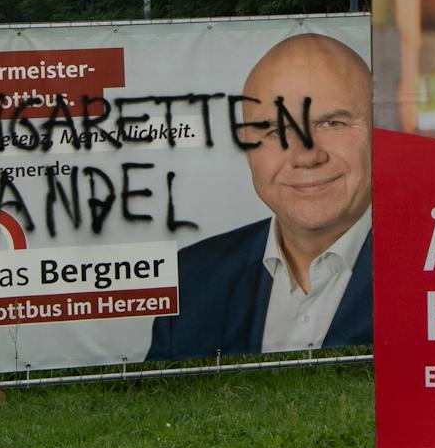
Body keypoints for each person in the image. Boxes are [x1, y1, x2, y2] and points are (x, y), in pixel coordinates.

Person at [147, 32, 373, 360]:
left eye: (332, 123)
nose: (306, 155)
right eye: (275, 130)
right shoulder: (193, 279)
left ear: (382, 126)